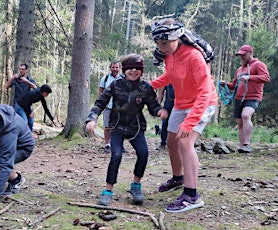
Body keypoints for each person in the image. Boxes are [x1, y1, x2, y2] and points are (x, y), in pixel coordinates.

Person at [150, 18, 218, 213]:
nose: (161, 47)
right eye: (158, 43)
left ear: (177, 37)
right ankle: (178, 178)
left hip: (202, 103)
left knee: (185, 142)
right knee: (171, 141)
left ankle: (192, 195)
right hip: (181, 103)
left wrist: (189, 123)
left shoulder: (194, 56)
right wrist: (150, 85)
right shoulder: (170, 55)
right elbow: (171, 75)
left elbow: (205, 92)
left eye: (165, 43)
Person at [86, 53, 168, 207]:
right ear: (125, 70)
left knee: (143, 153)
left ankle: (136, 186)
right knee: (116, 155)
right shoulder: (116, 85)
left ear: (141, 71)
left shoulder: (145, 87)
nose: (133, 71)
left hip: (136, 127)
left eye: (137, 68)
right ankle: (108, 191)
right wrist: (92, 118)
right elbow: (101, 102)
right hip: (117, 127)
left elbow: (153, 106)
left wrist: (159, 111)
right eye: (130, 68)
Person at [221, 45, 270, 153]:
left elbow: (266, 78)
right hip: (239, 98)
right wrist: (225, 84)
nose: (242, 57)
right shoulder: (239, 69)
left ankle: (247, 144)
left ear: (250, 53)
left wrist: (250, 77)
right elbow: (234, 85)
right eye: (240, 55)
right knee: (239, 122)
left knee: (246, 116)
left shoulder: (258, 64)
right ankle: (242, 146)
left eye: (243, 55)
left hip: (253, 97)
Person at [98, 61, 128, 153]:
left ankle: (120, 145)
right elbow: (101, 91)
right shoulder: (105, 79)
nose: (115, 69)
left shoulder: (124, 78)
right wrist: (103, 102)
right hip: (108, 106)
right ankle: (108, 145)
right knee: (107, 126)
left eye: (117, 67)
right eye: (113, 67)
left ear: (120, 68)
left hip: (120, 107)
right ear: (110, 68)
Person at [5, 63, 38, 129]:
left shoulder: (29, 79)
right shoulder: (16, 79)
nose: (21, 71)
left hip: (27, 105)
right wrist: (12, 78)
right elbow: (6, 86)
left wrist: (26, 81)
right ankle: (22, 137)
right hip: (18, 105)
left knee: (31, 121)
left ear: (26, 70)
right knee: (24, 121)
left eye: (22, 69)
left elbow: (36, 88)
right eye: (20, 69)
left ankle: (28, 137)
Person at [156, 84, 175, 151]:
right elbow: (161, 92)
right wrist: (158, 106)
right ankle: (163, 143)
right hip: (168, 103)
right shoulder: (168, 78)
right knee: (165, 123)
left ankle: (177, 143)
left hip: (179, 103)